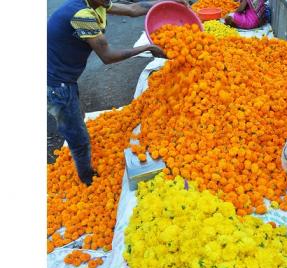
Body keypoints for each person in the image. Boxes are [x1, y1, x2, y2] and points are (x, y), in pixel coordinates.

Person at [47, 0, 187, 185]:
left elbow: (132, 9)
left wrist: (167, 2)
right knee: (77, 135)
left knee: (76, 114)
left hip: (65, 76)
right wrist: (147, 48)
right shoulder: (82, 15)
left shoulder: (96, 3)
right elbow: (108, 56)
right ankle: (87, 179)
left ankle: (78, 134)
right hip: (56, 84)